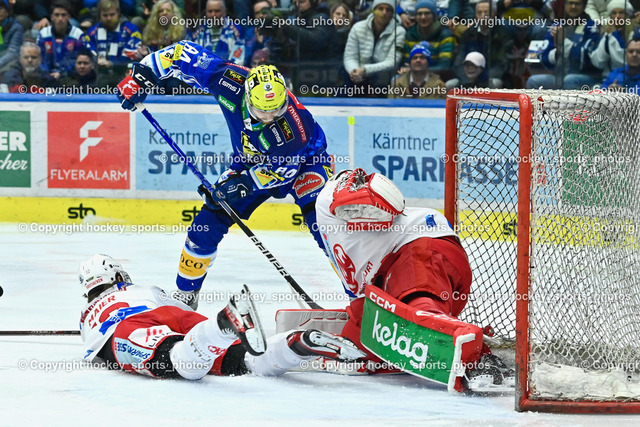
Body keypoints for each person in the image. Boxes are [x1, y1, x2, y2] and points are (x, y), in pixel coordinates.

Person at [116, 41, 333, 310]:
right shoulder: (228, 80)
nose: (269, 117)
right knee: (206, 222)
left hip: (306, 162)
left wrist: (241, 185)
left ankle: (357, 295)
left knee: (323, 225)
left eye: (276, 111)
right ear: (247, 98)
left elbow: (280, 174)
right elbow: (180, 53)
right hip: (249, 160)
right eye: (262, 111)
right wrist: (141, 76)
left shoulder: (294, 130)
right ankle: (186, 295)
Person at [314, 168, 515, 390]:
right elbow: (362, 312)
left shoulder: (326, 199)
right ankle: (449, 332)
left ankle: (480, 360)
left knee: (419, 309)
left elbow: (374, 190)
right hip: (415, 274)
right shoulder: (335, 244)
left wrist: (372, 205)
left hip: (422, 249)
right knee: (363, 347)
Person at [78, 254, 364, 380]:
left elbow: (95, 348)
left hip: (126, 327)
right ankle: (297, 344)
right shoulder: (146, 289)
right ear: (118, 276)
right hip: (177, 316)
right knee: (247, 361)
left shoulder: (87, 314)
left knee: (180, 365)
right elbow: (181, 312)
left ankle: (224, 324)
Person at [525, 0, 602, 89]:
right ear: (565, 5)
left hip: (585, 77)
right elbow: (544, 59)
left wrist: (563, 42)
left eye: (577, 4)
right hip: (560, 76)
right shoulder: (557, 26)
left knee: (570, 80)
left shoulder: (592, 27)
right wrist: (558, 50)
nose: (573, 6)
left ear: (584, 6)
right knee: (533, 81)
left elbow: (585, 60)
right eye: (570, 3)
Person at [343, 0, 406, 93]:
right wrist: (354, 72)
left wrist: (365, 70)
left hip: (384, 80)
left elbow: (392, 62)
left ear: (392, 14)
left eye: (388, 10)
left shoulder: (399, 32)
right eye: (380, 8)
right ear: (373, 11)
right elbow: (350, 57)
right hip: (356, 78)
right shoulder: (357, 28)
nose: (384, 13)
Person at [82, 0, 144, 86]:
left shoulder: (131, 30)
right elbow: (87, 53)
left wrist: (111, 64)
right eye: (105, 15)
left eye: (112, 15)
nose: (109, 18)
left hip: (123, 75)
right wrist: (96, 60)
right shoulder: (92, 32)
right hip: (98, 76)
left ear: (118, 13)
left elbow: (133, 57)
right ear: (99, 15)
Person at [454, 0, 513, 89]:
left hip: (493, 77)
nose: (483, 16)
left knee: (494, 83)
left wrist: (481, 79)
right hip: (469, 76)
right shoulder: (468, 34)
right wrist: (466, 79)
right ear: (475, 15)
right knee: (450, 84)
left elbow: (502, 64)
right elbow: (459, 61)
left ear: (494, 14)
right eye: (479, 13)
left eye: (487, 13)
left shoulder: (503, 34)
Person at [403, 0, 456, 74]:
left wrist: (420, 71)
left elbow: (444, 66)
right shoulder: (410, 34)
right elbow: (406, 62)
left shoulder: (444, 35)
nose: (423, 17)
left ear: (434, 15)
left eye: (427, 13)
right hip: (414, 75)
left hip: (438, 76)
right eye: (419, 14)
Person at [37, 0, 84, 81]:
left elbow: (78, 60)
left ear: (69, 17)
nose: (60, 18)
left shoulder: (77, 34)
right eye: (57, 15)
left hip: (70, 77)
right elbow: (40, 58)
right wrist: (47, 74)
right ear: (52, 17)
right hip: (46, 77)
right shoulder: (44, 34)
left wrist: (62, 73)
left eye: (63, 15)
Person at [188, 0, 245, 64]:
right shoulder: (199, 33)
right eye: (210, 11)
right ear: (206, 13)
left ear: (225, 12)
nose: (213, 15)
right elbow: (193, 59)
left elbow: (238, 61)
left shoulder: (236, 32)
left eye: (217, 11)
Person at [590, 0, 637, 75]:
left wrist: (615, 35)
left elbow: (623, 61)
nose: (617, 16)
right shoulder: (607, 34)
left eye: (621, 13)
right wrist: (608, 37)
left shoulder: (634, 33)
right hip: (608, 77)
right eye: (614, 13)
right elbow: (598, 62)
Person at [0, 0, 25, 75]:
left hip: (8, 64)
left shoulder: (16, 28)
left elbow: (13, 53)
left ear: (7, 12)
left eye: (0, 8)